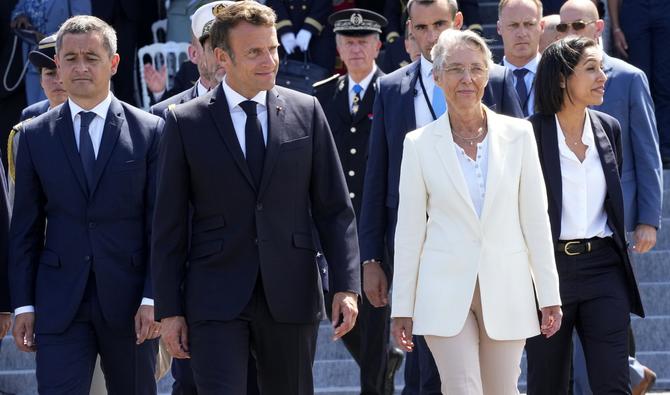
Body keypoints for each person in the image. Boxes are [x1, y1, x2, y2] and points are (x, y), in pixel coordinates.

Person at [151, 2, 360, 394]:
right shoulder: (185, 122)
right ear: (221, 57)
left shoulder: (307, 110)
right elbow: (169, 225)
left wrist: (346, 286)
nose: (269, 61)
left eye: (273, 49)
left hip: (292, 290)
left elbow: (334, 210)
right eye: (254, 52)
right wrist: (170, 310)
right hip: (214, 296)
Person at [358, 0, 523, 392]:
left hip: (489, 254)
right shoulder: (392, 89)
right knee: (425, 373)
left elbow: (523, 173)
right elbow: (377, 177)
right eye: (422, 28)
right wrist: (371, 258)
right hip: (419, 250)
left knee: (490, 376)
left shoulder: (494, 80)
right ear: (409, 31)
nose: (432, 37)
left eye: (440, 25)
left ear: (459, 22)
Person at [390, 28, 562, 395]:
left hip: (508, 285)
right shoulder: (418, 145)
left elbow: (536, 219)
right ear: (437, 77)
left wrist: (549, 293)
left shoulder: (519, 135)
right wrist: (401, 305)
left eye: (475, 68)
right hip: (443, 290)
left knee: (501, 389)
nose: (466, 79)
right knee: (462, 387)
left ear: (488, 74)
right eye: (454, 69)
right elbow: (408, 232)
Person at [9, 15, 163, 394]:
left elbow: (160, 225)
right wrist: (24, 306)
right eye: (71, 58)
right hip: (60, 302)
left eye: (91, 58)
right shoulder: (32, 136)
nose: (80, 67)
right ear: (57, 64)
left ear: (113, 63)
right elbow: (25, 229)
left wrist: (153, 296)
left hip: (130, 305)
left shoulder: (149, 131)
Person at [524, 36, 645, 395]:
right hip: (549, 272)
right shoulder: (529, 134)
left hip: (604, 267)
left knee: (613, 384)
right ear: (562, 78)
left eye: (602, 68)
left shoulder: (609, 128)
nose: (602, 77)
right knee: (548, 383)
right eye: (590, 69)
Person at [557, 1, 663, 393]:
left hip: (618, 222)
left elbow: (647, 152)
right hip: (571, 227)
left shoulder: (629, 77)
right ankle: (631, 375)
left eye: (579, 25)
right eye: (564, 27)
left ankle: (627, 376)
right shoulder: (553, 80)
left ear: (599, 27)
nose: (571, 32)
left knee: (611, 313)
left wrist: (648, 218)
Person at [313, 8, 402, 395]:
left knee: (376, 312)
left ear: (378, 46)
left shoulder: (393, 93)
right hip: (334, 225)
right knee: (339, 311)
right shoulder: (321, 95)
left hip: (377, 222)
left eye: (363, 41)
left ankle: (375, 383)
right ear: (337, 46)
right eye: (348, 42)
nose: (355, 49)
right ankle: (384, 358)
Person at [607, 0, 670, 167]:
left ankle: (665, 150)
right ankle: (639, 149)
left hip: (665, 9)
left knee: (665, 82)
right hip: (634, 9)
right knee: (638, 84)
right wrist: (616, 27)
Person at [8, 34, 67, 206]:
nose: (58, 80)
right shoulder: (29, 119)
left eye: (62, 71)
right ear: (40, 80)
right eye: (50, 73)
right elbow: (18, 194)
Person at [10, 0, 90, 105]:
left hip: (62, 59)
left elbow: (83, 26)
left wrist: (48, 39)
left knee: (60, 108)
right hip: (33, 61)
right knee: (35, 111)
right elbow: (17, 10)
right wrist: (19, 17)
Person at [497, 0, 543, 117]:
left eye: (529, 24)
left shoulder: (559, 77)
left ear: (541, 26)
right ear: (499, 28)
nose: (522, 33)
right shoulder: (486, 82)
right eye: (513, 25)